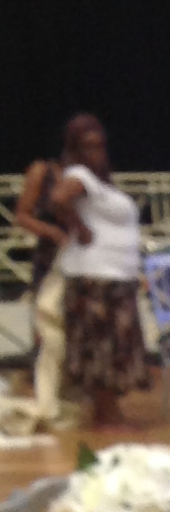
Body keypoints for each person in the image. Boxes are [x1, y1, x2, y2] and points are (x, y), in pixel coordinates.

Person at [50, 115, 151, 429]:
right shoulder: (79, 175)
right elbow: (58, 199)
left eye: (100, 145)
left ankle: (107, 413)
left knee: (114, 345)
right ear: (76, 150)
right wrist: (79, 228)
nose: (97, 153)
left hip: (114, 274)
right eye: (88, 147)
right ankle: (107, 416)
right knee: (102, 346)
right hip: (96, 276)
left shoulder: (100, 182)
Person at [12, 153, 75, 429]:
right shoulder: (42, 171)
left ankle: (69, 396)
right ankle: (48, 398)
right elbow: (22, 216)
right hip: (52, 258)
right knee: (50, 329)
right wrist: (52, 232)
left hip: (84, 259)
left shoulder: (88, 173)